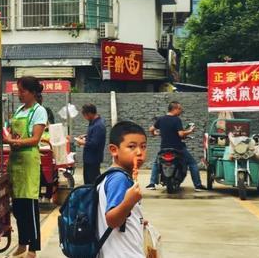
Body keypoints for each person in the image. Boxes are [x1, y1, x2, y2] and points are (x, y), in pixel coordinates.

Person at [4, 76, 47, 258]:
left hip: (28, 162)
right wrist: (6, 136)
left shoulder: (39, 111)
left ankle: (33, 248)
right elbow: (12, 131)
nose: (19, 94)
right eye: (18, 90)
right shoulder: (20, 110)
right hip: (15, 161)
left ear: (32, 92)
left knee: (30, 207)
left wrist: (13, 141)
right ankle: (22, 243)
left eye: (22, 91)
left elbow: (35, 139)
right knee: (19, 207)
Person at [97, 121, 147, 258]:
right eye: (132, 147)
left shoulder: (110, 175)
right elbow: (112, 220)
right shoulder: (119, 179)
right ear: (114, 150)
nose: (139, 153)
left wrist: (137, 219)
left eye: (143, 147)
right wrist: (128, 202)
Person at [146, 101, 204, 191]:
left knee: (156, 163)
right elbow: (181, 134)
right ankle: (198, 185)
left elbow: (151, 129)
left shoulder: (161, 119)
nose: (181, 111)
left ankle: (152, 184)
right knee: (192, 163)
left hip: (164, 148)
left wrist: (155, 134)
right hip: (178, 148)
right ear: (175, 109)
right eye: (180, 109)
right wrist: (190, 131)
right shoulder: (176, 120)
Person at [76, 104, 107, 184]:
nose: (85, 118)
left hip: (93, 159)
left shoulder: (98, 125)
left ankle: (95, 196)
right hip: (89, 159)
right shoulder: (93, 123)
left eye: (85, 116)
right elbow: (94, 136)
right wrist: (85, 136)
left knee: (93, 182)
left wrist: (82, 142)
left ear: (89, 114)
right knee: (88, 181)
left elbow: (94, 144)